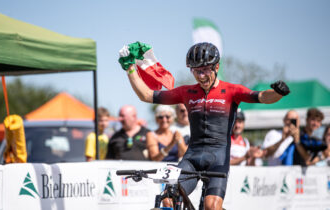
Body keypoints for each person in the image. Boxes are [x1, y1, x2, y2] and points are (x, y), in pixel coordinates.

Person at [118, 42, 289, 210]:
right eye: (196, 71)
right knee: (168, 200)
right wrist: (130, 69)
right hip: (192, 157)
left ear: (216, 67)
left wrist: (277, 93)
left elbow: (261, 96)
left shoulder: (231, 90)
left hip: (218, 159)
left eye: (205, 70)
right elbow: (147, 95)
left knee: (211, 206)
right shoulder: (186, 92)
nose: (200, 76)